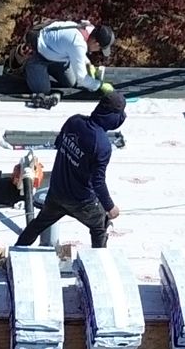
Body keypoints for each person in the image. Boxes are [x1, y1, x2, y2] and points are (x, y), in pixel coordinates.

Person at [15, 91, 127, 251]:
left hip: (57, 193)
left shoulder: (74, 121)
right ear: (111, 116)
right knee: (99, 227)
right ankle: (100, 264)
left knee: (38, 224)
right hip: (81, 202)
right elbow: (98, 181)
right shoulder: (102, 145)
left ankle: (17, 250)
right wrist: (110, 207)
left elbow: (59, 143)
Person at [22, 19, 111, 106]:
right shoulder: (78, 43)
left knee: (70, 83)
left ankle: (48, 69)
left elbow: (75, 50)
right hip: (39, 55)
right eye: (100, 49)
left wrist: (88, 64)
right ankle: (29, 68)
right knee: (43, 91)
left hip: (56, 53)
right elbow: (82, 78)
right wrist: (99, 85)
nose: (97, 51)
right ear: (96, 43)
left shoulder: (89, 29)